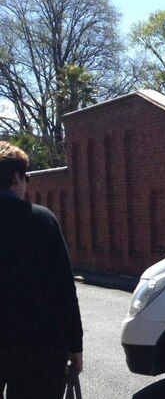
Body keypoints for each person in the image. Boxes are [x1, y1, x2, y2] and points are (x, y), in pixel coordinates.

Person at [0, 142, 83, 398]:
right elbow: (64, 287)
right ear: (16, 178)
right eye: (26, 177)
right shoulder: (42, 220)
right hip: (40, 346)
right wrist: (75, 344)